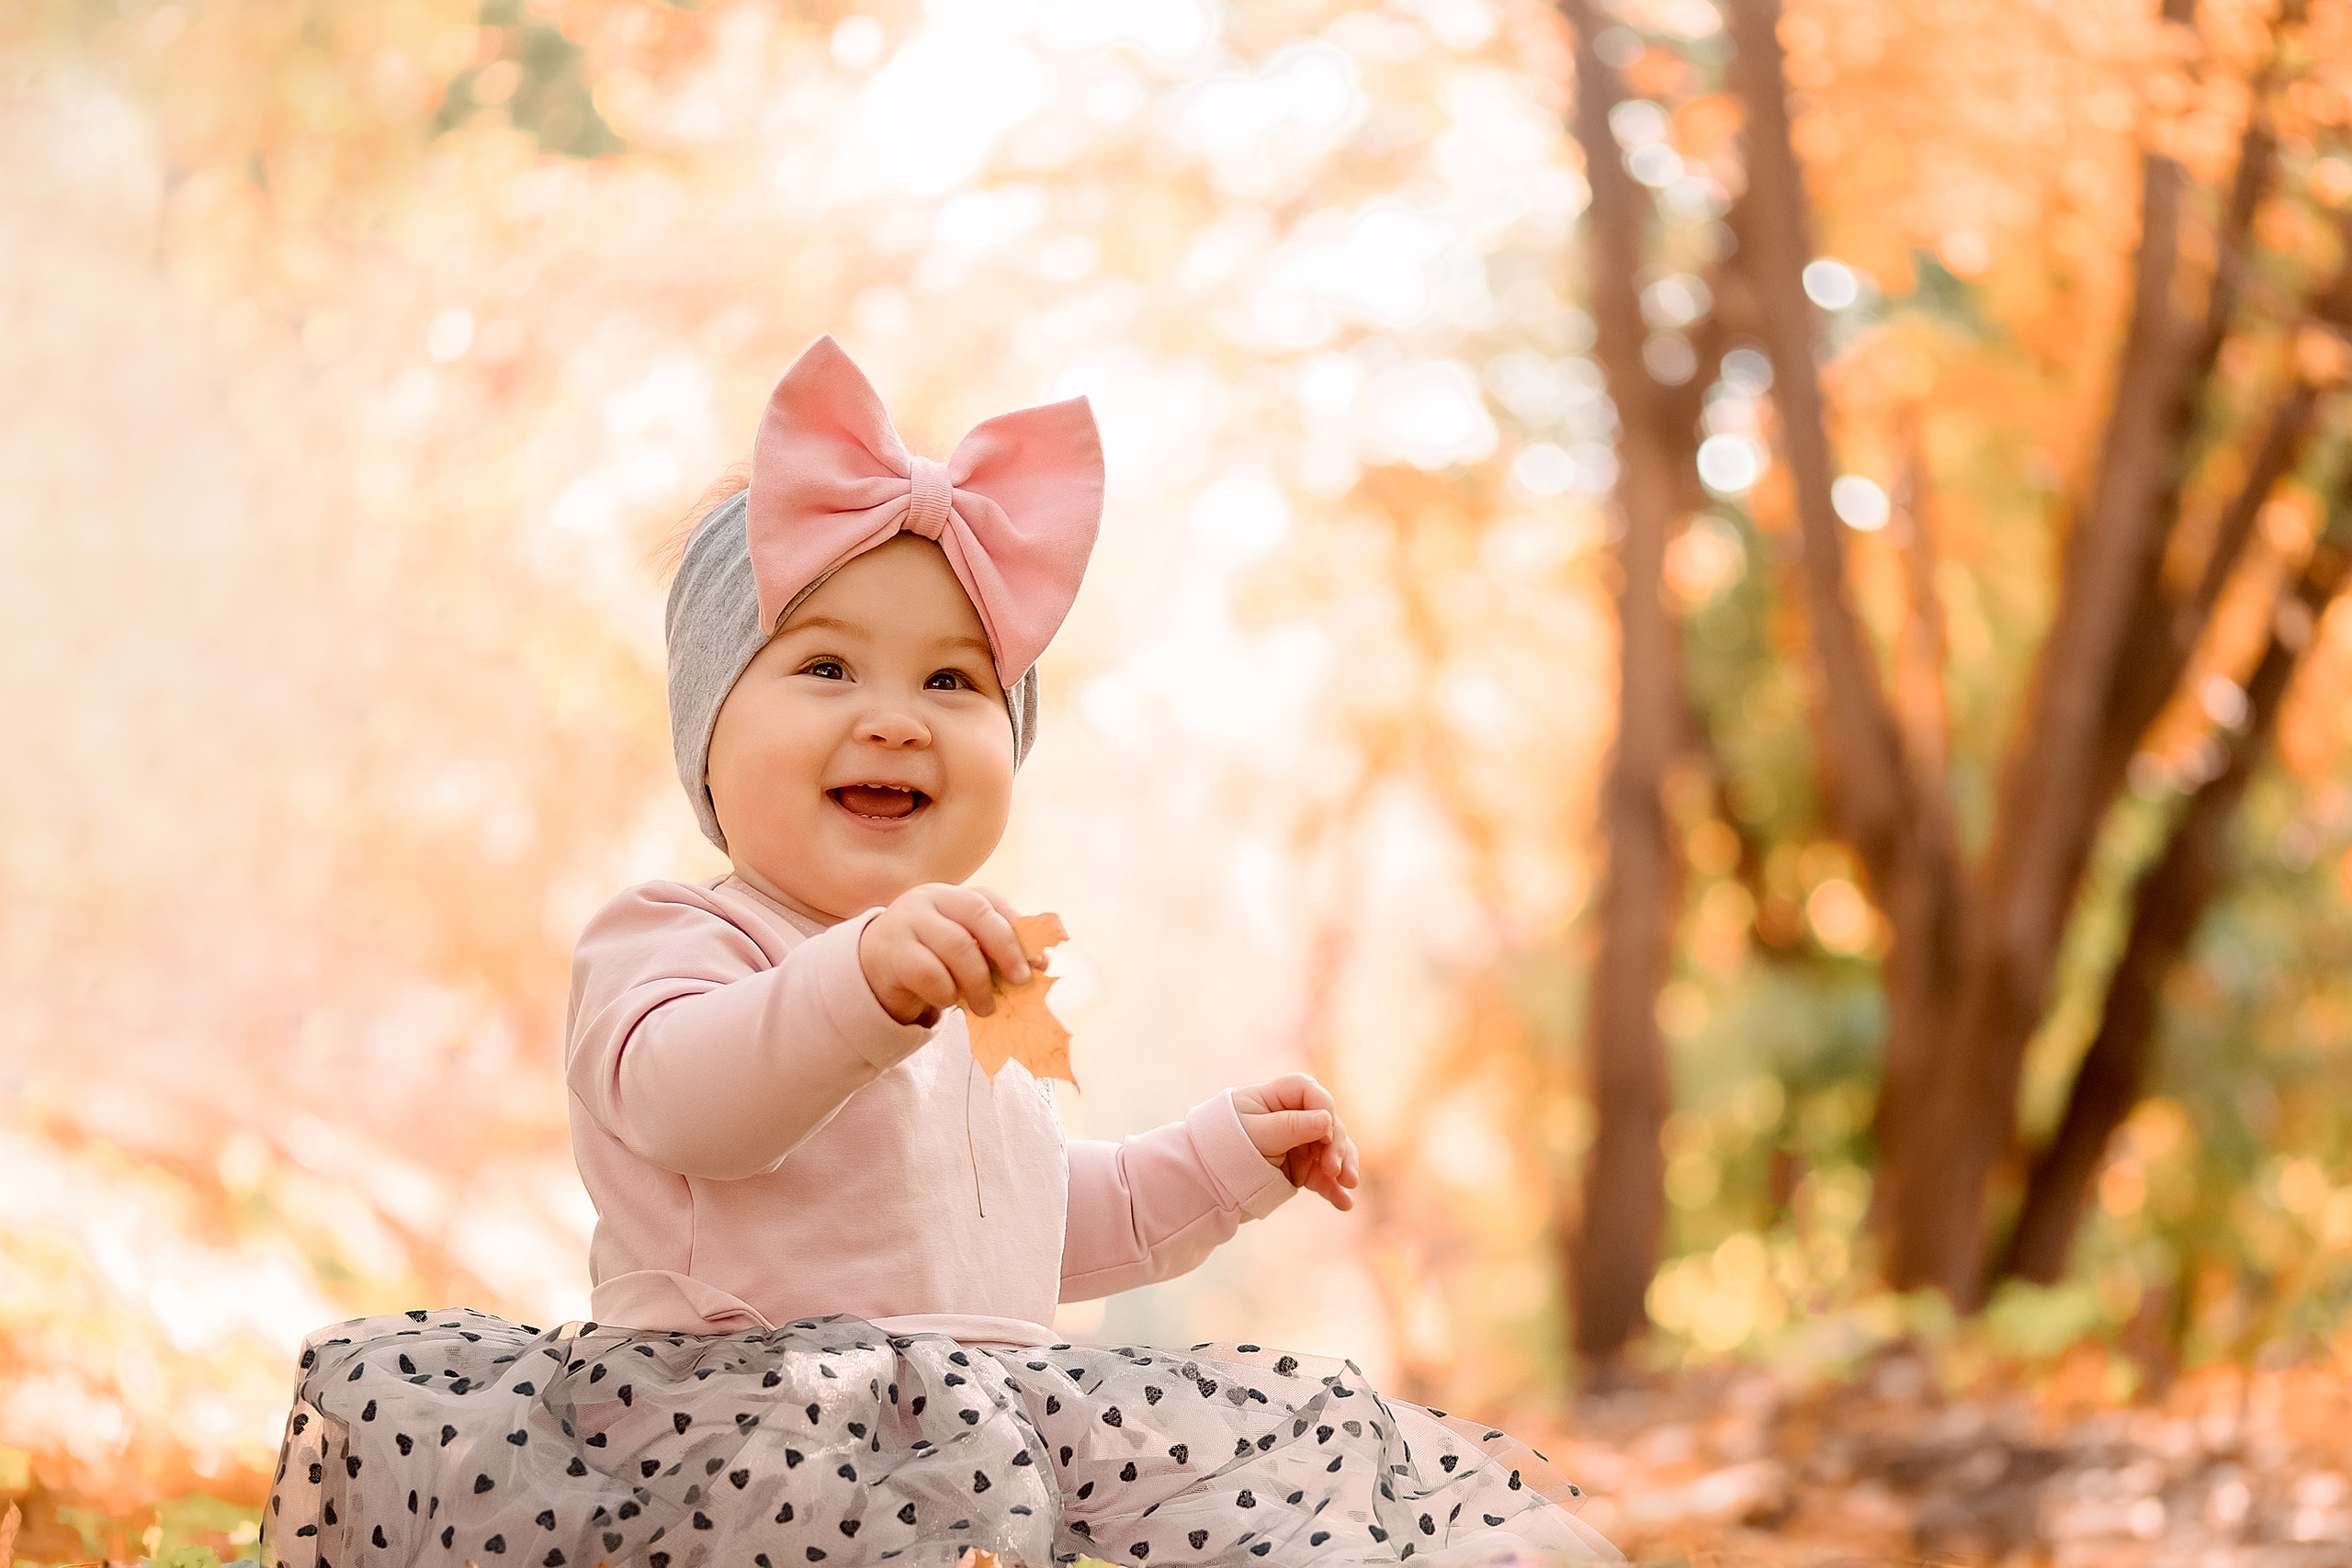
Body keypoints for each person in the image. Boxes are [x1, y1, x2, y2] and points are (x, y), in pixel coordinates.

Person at [262, 337, 1619, 1568]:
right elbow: (696, 1105)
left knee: (1409, 1528)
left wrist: (1216, 1161)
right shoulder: (676, 936)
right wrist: (858, 984)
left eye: (954, 682)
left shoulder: (974, 977)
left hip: (995, 1419)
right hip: (747, 1438)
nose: (898, 720)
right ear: (709, 739)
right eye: (829, 669)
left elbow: (1015, 1231)